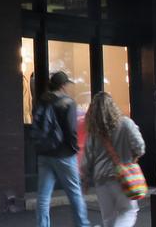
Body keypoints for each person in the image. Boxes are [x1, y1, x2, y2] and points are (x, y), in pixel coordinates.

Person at [33, 71, 90, 227]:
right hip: (63, 154)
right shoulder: (68, 103)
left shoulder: (43, 100)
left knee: (43, 197)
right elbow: (71, 131)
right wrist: (74, 149)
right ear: (63, 85)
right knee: (75, 193)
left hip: (45, 153)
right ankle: (82, 225)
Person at [81, 92, 145, 227]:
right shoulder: (126, 123)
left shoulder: (94, 131)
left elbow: (87, 158)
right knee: (128, 212)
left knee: (108, 219)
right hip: (122, 177)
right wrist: (132, 159)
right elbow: (140, 147)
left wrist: (85, 178)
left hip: (100, 179)